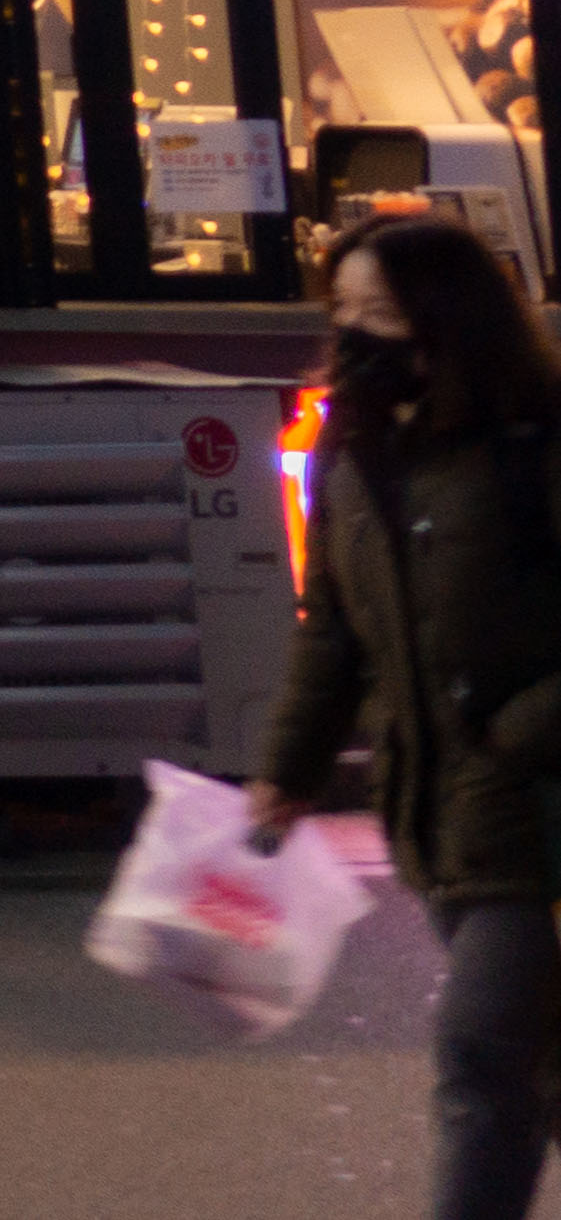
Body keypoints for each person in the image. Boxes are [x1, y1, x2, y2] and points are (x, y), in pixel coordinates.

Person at [256, 212, 561, 1220]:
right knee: (533, 1066)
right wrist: (288, 770)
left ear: (450, 320)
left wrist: (519, 735)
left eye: (380, 313)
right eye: (341, 310)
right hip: (434, 812)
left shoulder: (533, 445)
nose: (354, 336)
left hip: (538, 814)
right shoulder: (354, 453)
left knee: (479, 1057)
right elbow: (332, 632)